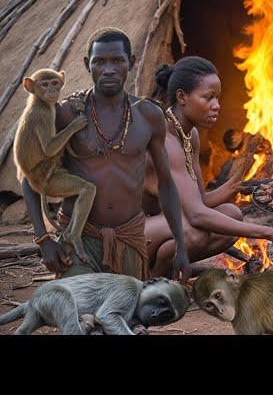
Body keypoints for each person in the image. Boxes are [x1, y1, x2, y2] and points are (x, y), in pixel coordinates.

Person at [22, 28, 190, 282]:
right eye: (99, 61)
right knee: (81, 313)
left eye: (117, 61)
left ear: (131, 63)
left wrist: (181, 245)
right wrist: (43, 239)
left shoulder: (149, 115)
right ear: (87, 65)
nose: (108, 69)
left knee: (124, 317)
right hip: (78, 239)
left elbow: (166, 183)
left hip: (129, 239)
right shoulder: (66, 114)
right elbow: (30, 178)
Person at [144, 56, 273, 278]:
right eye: (208, 98)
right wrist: (271, 233)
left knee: (232, 213)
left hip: (160, 227)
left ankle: (162, 273)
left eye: (217, 98)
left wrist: (237, 186)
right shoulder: (163, 138)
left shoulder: (189, 135)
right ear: (182, 97)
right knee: (194, 233)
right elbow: (196, 215)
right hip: (132, 236)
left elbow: (200, 200)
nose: (216, 106)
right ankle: (149, 279)